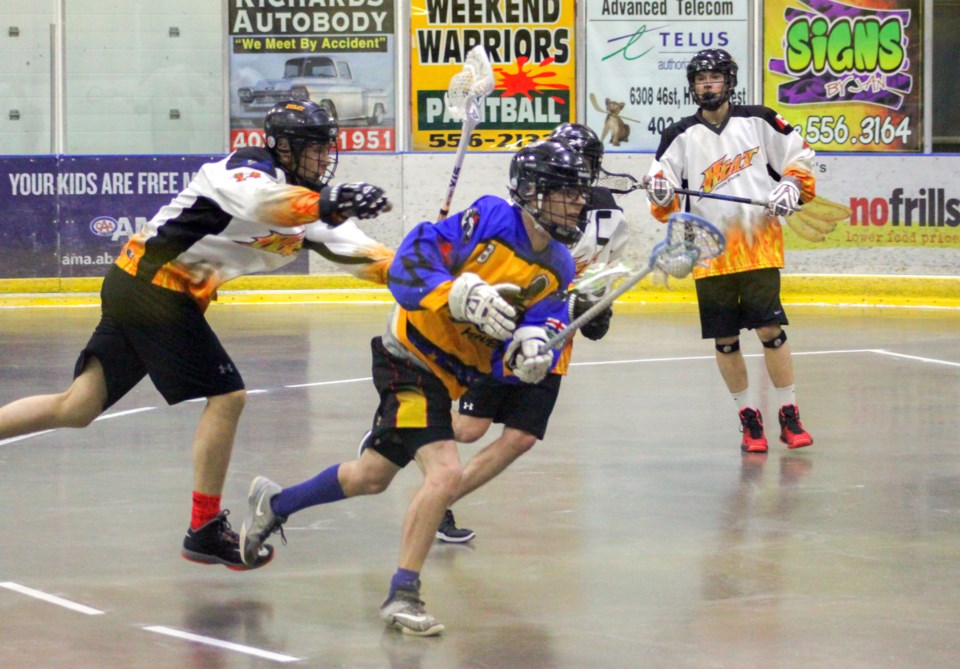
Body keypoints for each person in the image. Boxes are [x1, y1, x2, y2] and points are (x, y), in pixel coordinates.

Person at [0, 99, 391, 570]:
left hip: (143, 287)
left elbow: (370, 258)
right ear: (284, 147)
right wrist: (326, 202)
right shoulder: (244, 169)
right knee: (228, 397)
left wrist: (444, 280)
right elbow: (260, 203)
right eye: (316, 147)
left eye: (329, 146)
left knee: (77, 406)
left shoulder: (312, 207)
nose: (326, 157)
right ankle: (203, 530)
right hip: (154, 285)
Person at [239, 139, 592, 635]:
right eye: (569, 192)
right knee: (444, 473)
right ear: (534, 192)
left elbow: (527, 339)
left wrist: (531, 353)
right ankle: (403, 594)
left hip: (445, 380)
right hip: (407, 357)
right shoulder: (490, 219)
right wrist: (455, 293)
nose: (580, 202)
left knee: (370, 477)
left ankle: (275, 504)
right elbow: (409, 264)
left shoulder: (560, 267)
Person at [435, 122, 632, 543]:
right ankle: (404, 426)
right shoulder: (524, 209)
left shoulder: (606, 216)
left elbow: (594, 281)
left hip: (552, 341)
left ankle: (438, 504)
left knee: (521, 437)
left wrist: (595, 310)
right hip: (505, 330)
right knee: (469, 429)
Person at [643, 48, 816, 454]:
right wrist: (660, 191)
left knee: (770, 330)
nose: (707, 85)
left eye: (714, 77)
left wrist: (791, 185)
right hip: (709, 252)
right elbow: (659, 185)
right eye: (700, 79)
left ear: (729, 81)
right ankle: (748, 418)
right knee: (725, 339)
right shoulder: (678, 135)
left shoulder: (760, 120)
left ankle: (789, 413)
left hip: (758, 246)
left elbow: (801, 156)